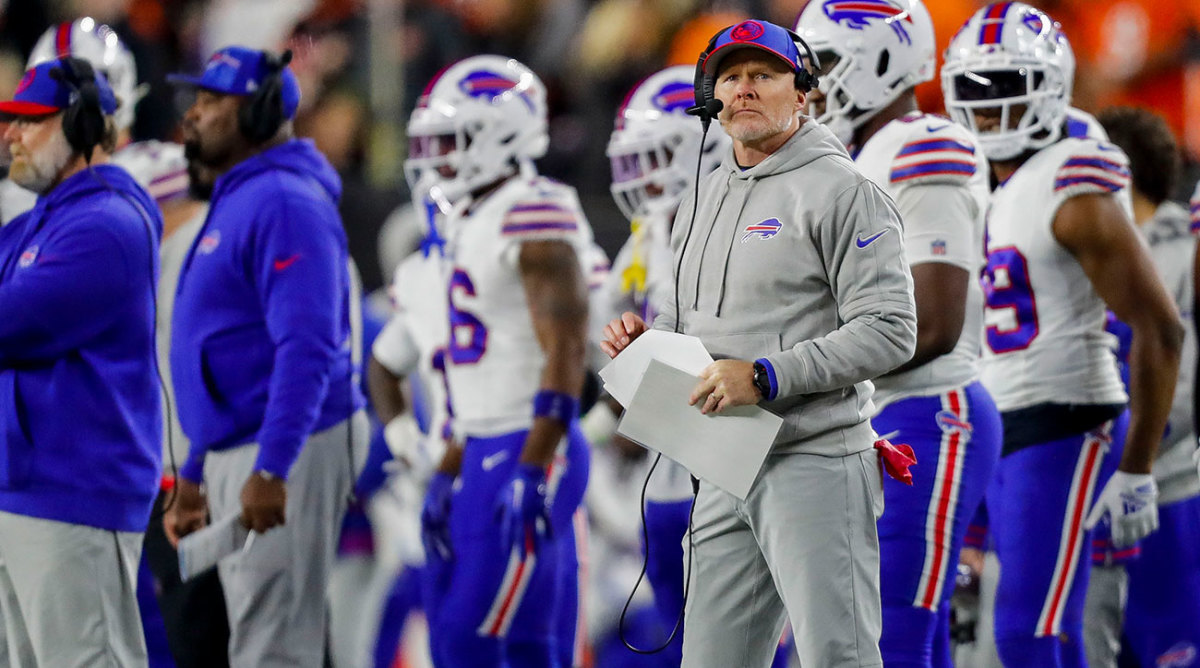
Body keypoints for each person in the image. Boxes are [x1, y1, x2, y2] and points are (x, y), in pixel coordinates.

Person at [603, 20, 917, 667]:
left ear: (801, 92)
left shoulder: (844, 191)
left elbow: (892, 329)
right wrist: (646, 341)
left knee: (840, 657)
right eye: (730, 76)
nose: (744, 89)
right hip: (723, 464)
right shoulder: (701, 197)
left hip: (816, 457)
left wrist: (768, 375)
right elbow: (683, 318)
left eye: (763, 75)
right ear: (709, 96)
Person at [941, 4, 1183, 666]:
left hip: (1062, 422)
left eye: (1005, 86)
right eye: (975, 89)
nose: (987, 108)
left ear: (1049, 84)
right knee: (1020, 629)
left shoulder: (1075, 181)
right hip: (991, 420)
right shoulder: (968, 175)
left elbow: (1160, 329)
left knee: (1029, 629)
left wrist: (1136, 468)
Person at [794, 3, 1002, 667]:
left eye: (823, 64)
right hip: (878, 417)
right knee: (902, 640)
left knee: (890, 640)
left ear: (883, 60)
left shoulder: (919, 144)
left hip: (927, 415)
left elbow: (935, 324)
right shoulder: (855, 158)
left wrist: (803, 374)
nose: (811, 85)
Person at [162, 46, 367, 667]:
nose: (192, 115)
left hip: (282, 447)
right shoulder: (246, 193)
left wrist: (274, 467)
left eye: (210, 100)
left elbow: (307, 348)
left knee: (275, 648)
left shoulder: (283, 201)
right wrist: (197, 468)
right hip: (246, 444)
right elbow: (230, 348)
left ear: (253, 114)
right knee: (257, 637)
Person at [404, 54, 594, 668]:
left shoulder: (531, 207)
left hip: (530, 443)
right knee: (527, 646)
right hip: (483, 444)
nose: (437, 159)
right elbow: (478, 378)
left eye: (450, 141)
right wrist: (448, 466)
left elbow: (565, 347)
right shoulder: (472, 220)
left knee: (466, 641)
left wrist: (536, 465)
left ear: (499, 134)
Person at [0, 56, 162, 666]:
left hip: (76, 494)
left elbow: (9, 324)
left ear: (83, 124)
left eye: (30, 121)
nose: (11, 134)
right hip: (27, 488)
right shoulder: (42, 223)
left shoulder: (108, 224)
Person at [599, 63, 731, 665]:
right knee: (680, 638)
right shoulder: (646, 239)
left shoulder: (738, 221)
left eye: (656, 157)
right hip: (668, 465)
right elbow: (610, 339)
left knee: (745, 631)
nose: (643, 179)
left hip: (731, 459)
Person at [1094, 107, 1200, 668]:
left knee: (1172, 655)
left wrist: (1124, 455)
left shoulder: (1182, 254)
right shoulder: (1091, 255)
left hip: (1169, 492)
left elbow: (1180, 396)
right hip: (1096, 494)